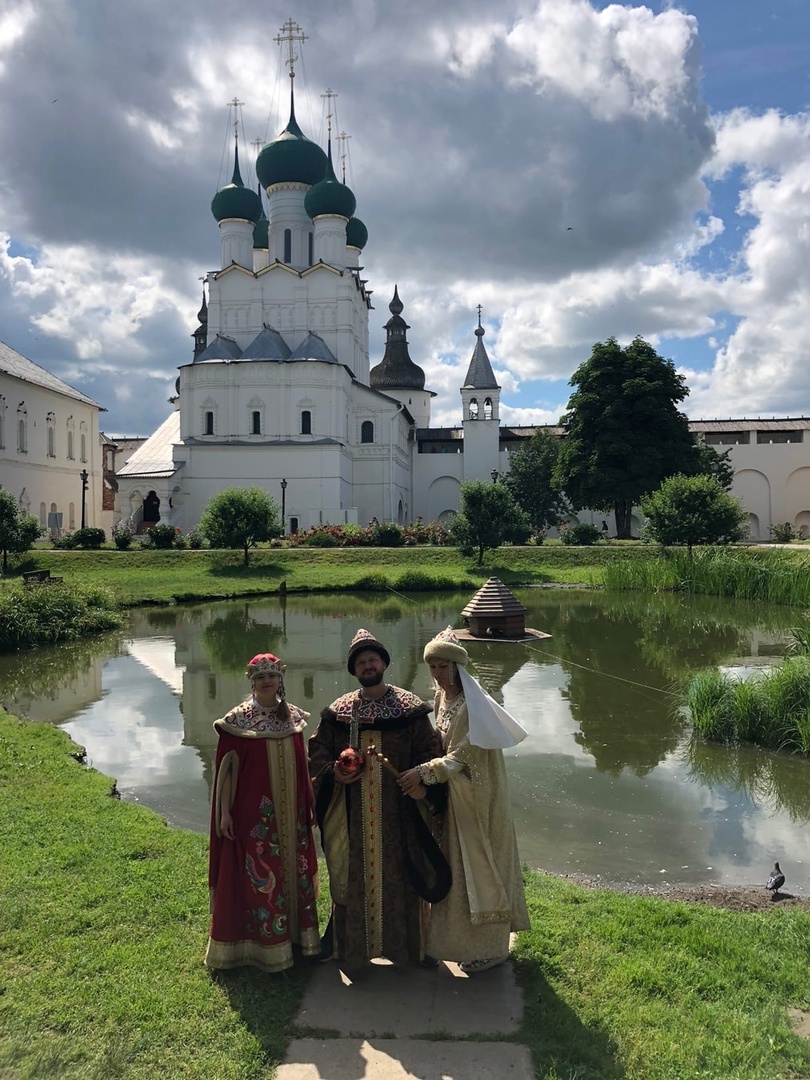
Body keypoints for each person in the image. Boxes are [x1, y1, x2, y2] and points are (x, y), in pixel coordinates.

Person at [308, 628, 449, 971]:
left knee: (404, 878)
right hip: (352, 816)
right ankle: (351, 950)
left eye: (372, 659)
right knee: (351, 877)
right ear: (354, 671)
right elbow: (317, 755)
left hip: (400, 815)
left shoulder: (410, 709)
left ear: (384, 663)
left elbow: (432, 752)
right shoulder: (339, 712)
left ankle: (412, 949)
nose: (367, 665)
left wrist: (424, 783)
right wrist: (334, 774)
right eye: (360, 662)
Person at [399, 627, 530, 974]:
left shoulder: (474, 706)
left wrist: (421, 772)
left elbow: (459, 757)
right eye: (433, 667)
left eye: (443, 666)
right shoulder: (444, 699)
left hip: (477, 798)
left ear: (458, 667)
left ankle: (492, 947)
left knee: (480, 868)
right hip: (455, 796)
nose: (437, 674)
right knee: (456, 870)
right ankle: (455, 942)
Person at [205, 653, 320, 973]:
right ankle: (262, 948)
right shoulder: (237, 721)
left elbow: (302, 765)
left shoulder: (293, 718)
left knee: (294, 873)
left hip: (292, 814)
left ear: (280, 680)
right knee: (261, 879)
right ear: (252, 683)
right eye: (260, 677)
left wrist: (309, 802)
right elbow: (227, 772)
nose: (267, 682)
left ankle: (299, 940)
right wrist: (225, 814)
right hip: (253, 819)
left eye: (272, 676)